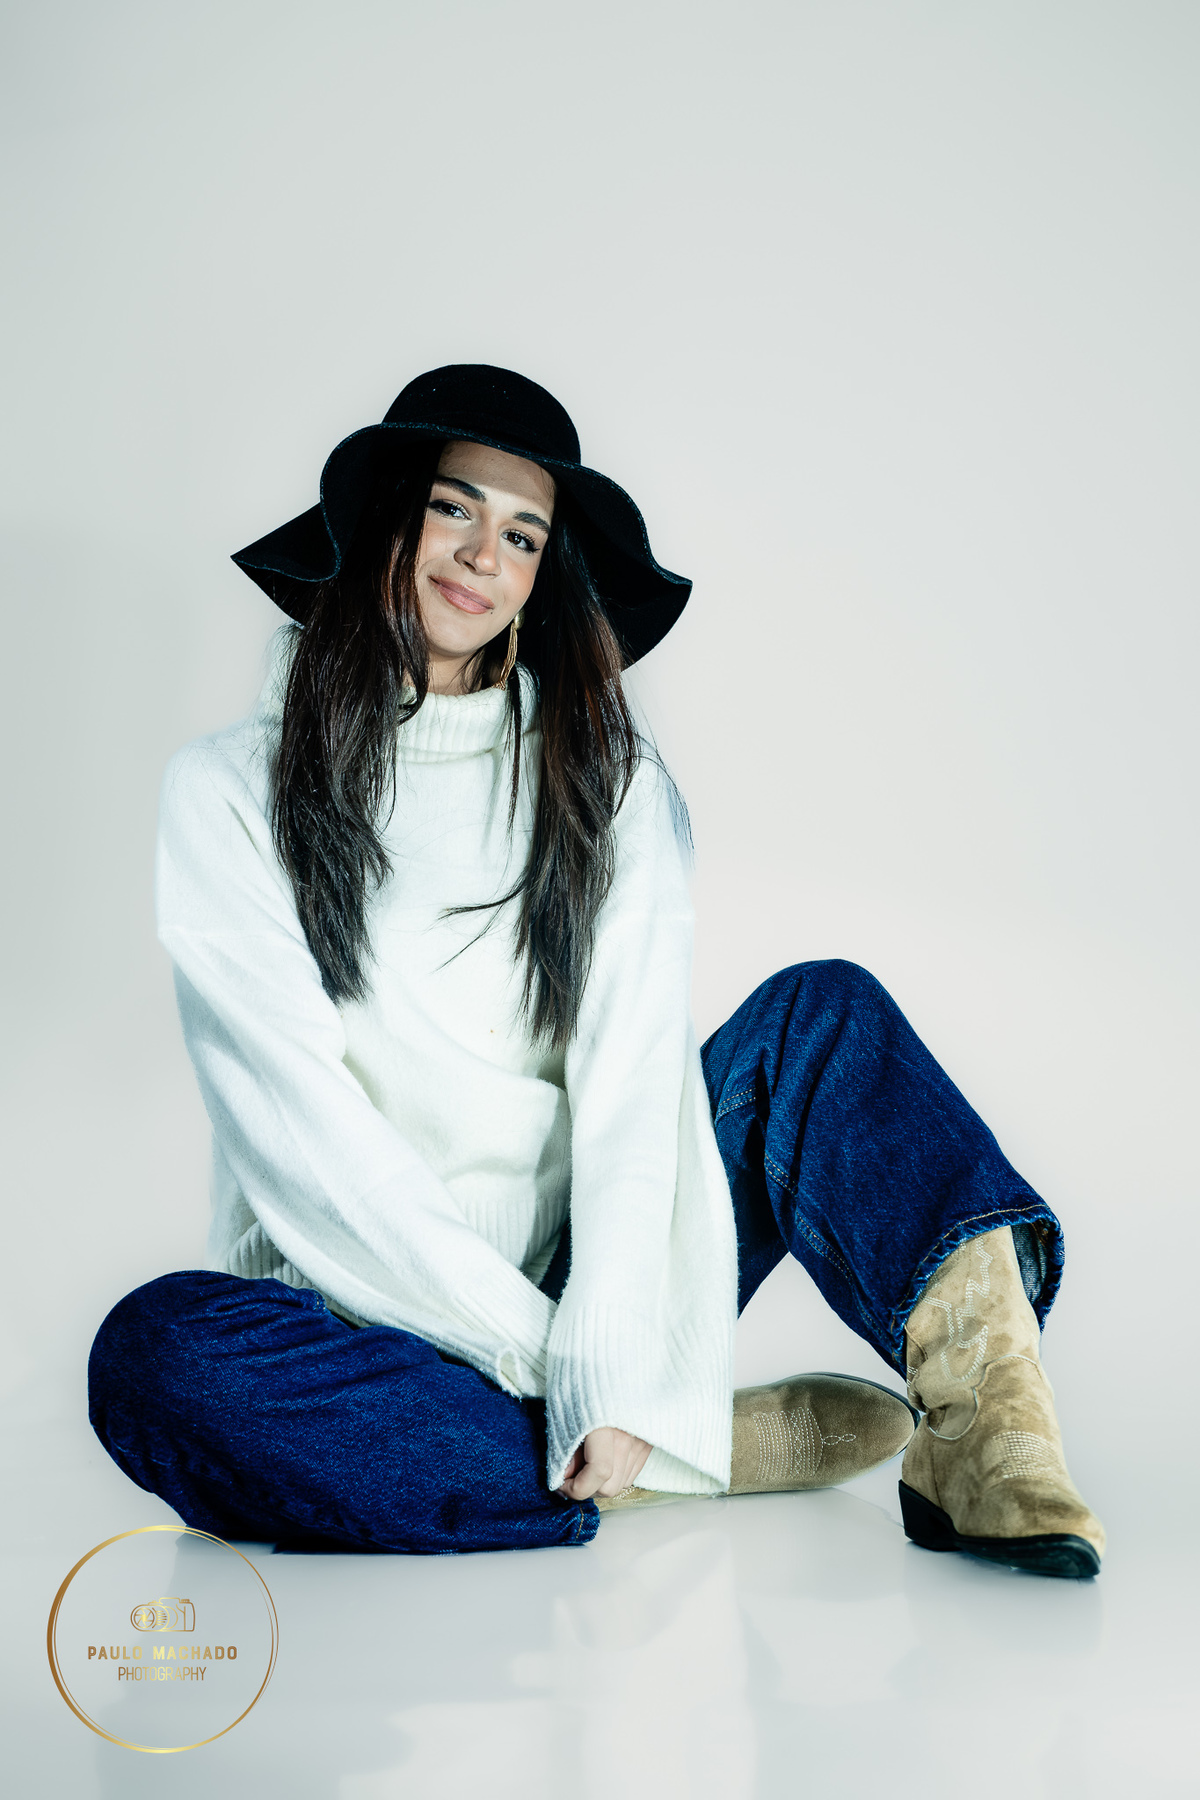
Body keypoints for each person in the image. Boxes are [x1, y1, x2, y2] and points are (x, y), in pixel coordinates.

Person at [88, 365, 1104, 1577]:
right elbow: (305, 1145)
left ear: (543, 576)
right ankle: (678, 1449)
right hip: (359, 1318)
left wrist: (605, 1350)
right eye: (454, 508)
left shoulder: (602, 779)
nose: (482, 556)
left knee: (824, 1017)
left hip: (588, 1288)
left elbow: (630, 1091)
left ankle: (988, 1443)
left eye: (523, 535)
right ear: (387, 521)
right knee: (158, 1355)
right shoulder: (226, 791)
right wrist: (571, 1374)